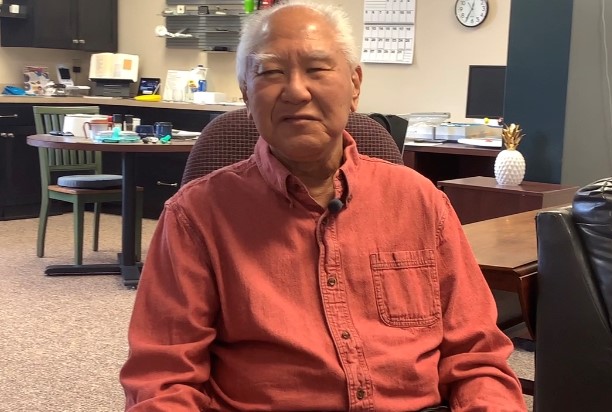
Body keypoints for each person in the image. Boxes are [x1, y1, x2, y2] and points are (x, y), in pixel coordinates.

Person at [119, 1, 527, 411]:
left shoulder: (421, 202)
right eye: (271, 71)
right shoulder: (196, 217)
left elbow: (477, 358)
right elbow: (164, 381)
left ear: (354, 85)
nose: (297, 90)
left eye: (317, 69)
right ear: (246, 93)